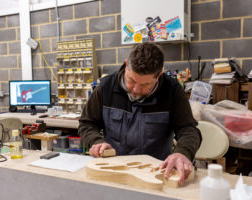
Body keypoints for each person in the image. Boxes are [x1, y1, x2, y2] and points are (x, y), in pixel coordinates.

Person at [78, 42, 202, 185]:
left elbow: (188, 130)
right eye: (131, 80)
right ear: (126, 66)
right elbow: (87, 123)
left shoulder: (172, 91)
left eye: (145, 85)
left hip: (154, 175)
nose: (136, 89)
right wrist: (96, 142)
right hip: (113, 172)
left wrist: (183, 152)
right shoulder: (106, 87)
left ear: (159, 76)